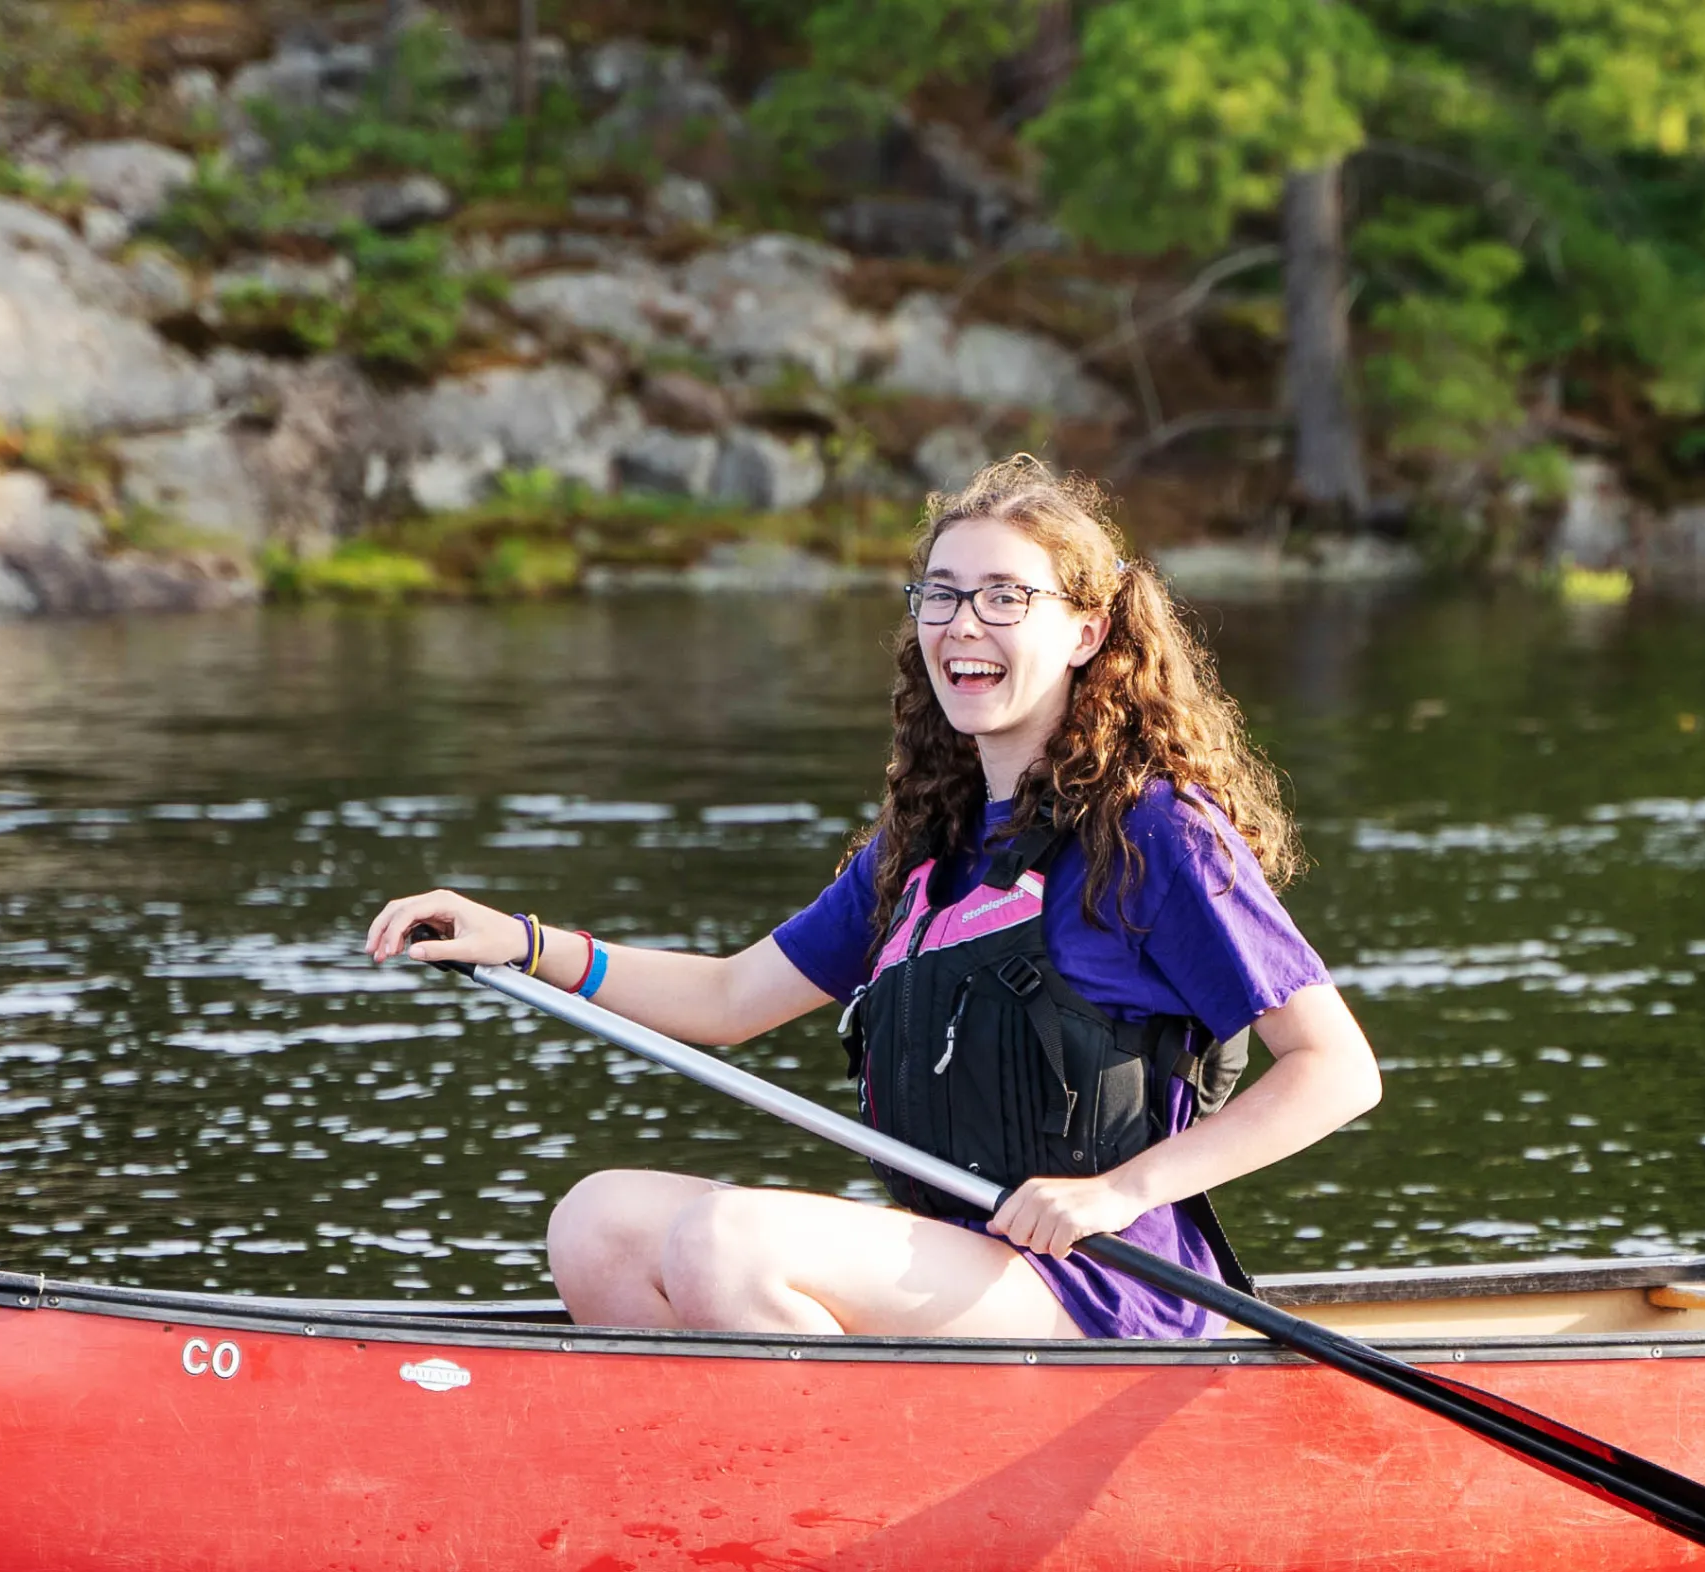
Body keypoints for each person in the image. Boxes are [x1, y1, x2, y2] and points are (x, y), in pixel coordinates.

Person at [363, 456, 1384, 1339]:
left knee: (735, 1241)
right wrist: (522, 944)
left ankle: (818, 1532)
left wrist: (1117, 1193)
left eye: (1004, 597)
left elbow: (1336, 1071)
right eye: (940, 594)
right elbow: (728, 1001)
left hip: (1108, 1289)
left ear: (1085, 631)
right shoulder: (920, 854)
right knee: (600, 1219)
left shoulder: (1155, 832)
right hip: (957, 1261)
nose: (962, 624)